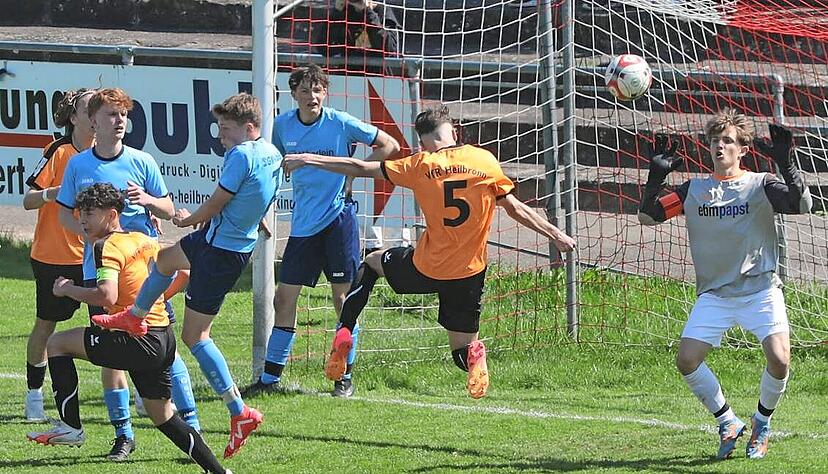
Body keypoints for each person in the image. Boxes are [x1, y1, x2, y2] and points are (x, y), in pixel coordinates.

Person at [283, 106, 576, 399]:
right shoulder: (483, 160)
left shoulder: (419, 164)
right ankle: (475, 355)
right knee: (461, 352)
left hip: (426, 267)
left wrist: (308, 158)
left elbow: (359, 167)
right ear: (454, 132)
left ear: (422, 142)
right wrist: (557, 235)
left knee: (372, 263)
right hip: (469, 273)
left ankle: (345, 330)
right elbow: (515, 208)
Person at [92, 92, 282, 459]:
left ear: (249, 127)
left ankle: (238, 411)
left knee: (195, 336)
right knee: (163, 261)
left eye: (226, 130)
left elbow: (216, 203)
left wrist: (184, 219)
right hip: (218, 241)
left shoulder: (241, 154)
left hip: (221, 251)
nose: (221, 137)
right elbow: (259, 194)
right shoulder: (270, 152)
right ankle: (134, 316)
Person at [637, 109, 813, 459]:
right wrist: (655, 177)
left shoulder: (760, 184)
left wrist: (787, 167)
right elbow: (648, 216)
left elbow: (802, 204)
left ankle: (761, 423)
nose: (720, 146)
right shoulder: (695, 190)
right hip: (716, 294)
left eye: (728, 141)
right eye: (716, 141)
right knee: (687, 360)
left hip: (760, 290)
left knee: (779, 359)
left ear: (743, 149)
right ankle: (728, 421)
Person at [26, 183, 232, 474]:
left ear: (112, 214)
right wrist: (149, 302)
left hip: (135, 340)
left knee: (57, 344)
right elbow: (182, 272)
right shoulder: (144, 238)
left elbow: (106, 296)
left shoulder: (104, 246)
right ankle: (219, 471)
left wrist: (68, 289)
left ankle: (71, 427)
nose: (82, 220)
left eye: (90, 214)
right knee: (162, 415)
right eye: (80, 213)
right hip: (163, 337)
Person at [55, 88, 202, 461]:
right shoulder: (78, 165)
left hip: (144, 275)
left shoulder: (142, 161)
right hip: (102, 272)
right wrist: (95, 235)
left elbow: (169, 209)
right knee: (111, 354)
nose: (119, 122)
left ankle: (192, 425)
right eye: (111, 115)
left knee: (164, 349)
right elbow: (63, 215)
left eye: (123, 115)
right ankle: (123, 435)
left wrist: (149, 202)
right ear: (93, 122)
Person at [244, 63, 400, 398]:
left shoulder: (340, 122)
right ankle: (270, 378)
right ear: (294, 94)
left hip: (338, 221)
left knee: (343, 299)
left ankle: (343, 375)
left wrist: (353, 171)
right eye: (305, 90)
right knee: (284, 297)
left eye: (318, 90)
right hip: (303, 225)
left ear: (324, 93)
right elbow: (269, 168)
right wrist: (260, 209)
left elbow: (389, 146)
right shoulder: (282, 127)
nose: (312, 96)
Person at [21, 89, 94, 423]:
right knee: (46, 325)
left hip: (95, 255)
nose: (96, 114)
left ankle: (134, 395)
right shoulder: (58, 151)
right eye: (89, 108)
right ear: (74, 117)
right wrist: (54, 193)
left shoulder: (109, 153)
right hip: (53, 257)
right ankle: (34, 394)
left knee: (111, 322)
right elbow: (29, 198)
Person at [312, 0, 402, 75]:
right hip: (348, 78)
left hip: (379, 78)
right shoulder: (344, 13)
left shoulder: (382, 11)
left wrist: (368, 11)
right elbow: (323, 48)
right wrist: (337, 12)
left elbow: (388, 48)